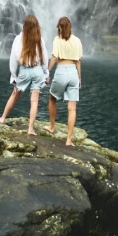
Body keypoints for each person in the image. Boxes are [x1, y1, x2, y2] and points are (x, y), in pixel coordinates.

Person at [0, 15, 47, 134]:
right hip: (37, 70)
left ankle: (3, 118)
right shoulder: (40, 39)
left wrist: (13, 75)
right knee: (34, 100)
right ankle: (30, 129)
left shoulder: (18, 39)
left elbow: (13, 59)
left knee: (14, 95)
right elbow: (44, 57)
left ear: (24, 26)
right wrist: (45, 72)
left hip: (24, 70)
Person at [46, 15, 83, 146]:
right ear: (70, 27)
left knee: (52, 98)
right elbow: (78, 61)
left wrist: (47, 71)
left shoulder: (57, 39)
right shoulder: (77, 41)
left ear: (60, 28)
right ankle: (69, 140)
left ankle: (51, 127)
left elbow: (54, 57)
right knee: (72, 108)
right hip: (73, 72)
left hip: (61, 70)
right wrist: (79, 79)